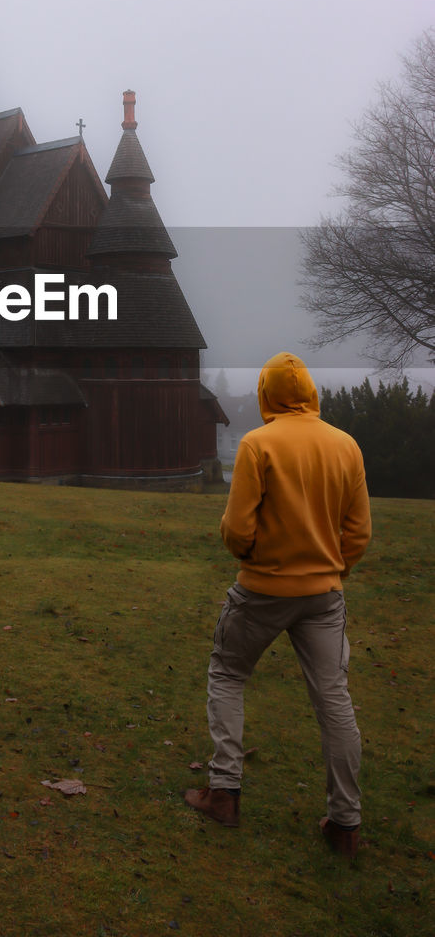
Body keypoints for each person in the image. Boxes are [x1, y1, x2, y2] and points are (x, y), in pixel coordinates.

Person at [184, 351, 371, 859]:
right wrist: (332, 569)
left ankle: (223, 792)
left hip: (262, 590)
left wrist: (252, 556)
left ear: (266, 395)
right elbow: (358, 533)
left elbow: (238, 529)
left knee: (227, 674)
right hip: (323, 597)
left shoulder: (257, 444)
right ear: (311, 393)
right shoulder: (345, 446)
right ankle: (345, 824)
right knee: (334, 702)